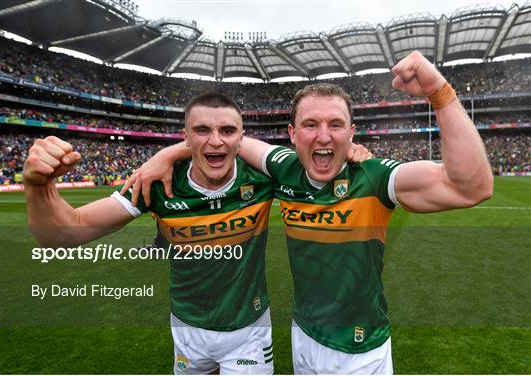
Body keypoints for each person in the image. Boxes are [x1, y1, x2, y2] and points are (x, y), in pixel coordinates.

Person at [122, 51, 493, 374]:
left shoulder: (374, 177)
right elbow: (224, 138)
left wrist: (439, 92)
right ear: (292, 134)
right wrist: (169, 153)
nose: (323, 136)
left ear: (351, 133)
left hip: (360, 351)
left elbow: (471, 187)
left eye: (335, 125)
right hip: (303, 338)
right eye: (311, 125)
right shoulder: (284, 168)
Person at [24, 92, 278, 374]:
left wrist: (168, 152)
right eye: (202, 130)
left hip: (248, 332)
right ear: (186, 136)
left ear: (242, 137)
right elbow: (64, 234)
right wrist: (38, 185)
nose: (216, 141)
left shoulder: (262, 177)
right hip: (187, 329)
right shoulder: (155, 182)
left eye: (228, 131)